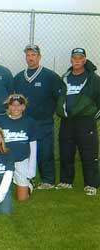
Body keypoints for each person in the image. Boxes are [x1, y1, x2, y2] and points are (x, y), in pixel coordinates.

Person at [14, 44, 61, 190]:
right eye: (28, 55)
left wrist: (49, 111)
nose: (30, 58)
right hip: (25, 121)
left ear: (39, 57)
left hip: (43, 120)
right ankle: (27, 178)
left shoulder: (50, 76)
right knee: (26, 151)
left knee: (45, 150)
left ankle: (48, 180)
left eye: (33, 55)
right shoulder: (19, 77)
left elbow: (59, 96)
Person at [55, 48, 100, 196]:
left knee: (88, 152)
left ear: (85, 60)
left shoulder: (93, 78)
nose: (77, 60)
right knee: (66, 151)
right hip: (67, 120)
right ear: (71, 60)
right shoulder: (65, 77)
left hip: (85, 121)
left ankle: (91, 184)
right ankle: (66, 181)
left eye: (80, 58)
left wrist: (94, 115)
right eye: (74, 58)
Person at [0, 94, 37, 200]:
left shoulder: (29, 122)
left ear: (23, 107)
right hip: (5, 161)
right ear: (8, 107)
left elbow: (33, 146)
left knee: (22, 198)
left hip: (22, 160)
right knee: (1, 196)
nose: (16, 108)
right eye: (13, 105)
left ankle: (28, 184)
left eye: (19, 105)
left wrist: (31, 169)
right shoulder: (1, 121)